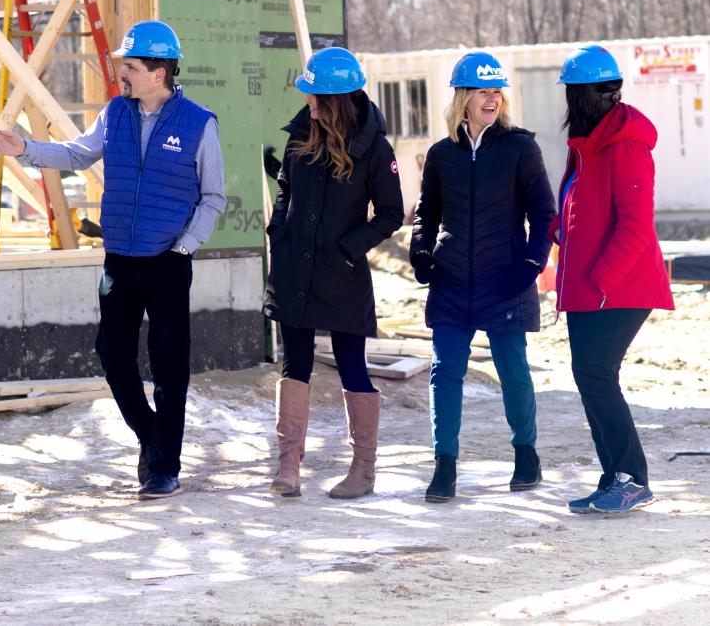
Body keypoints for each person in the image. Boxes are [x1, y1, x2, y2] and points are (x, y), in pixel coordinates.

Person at [0, 20, 226, 500]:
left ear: (159, 72)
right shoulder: (116, 113)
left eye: (131, 67)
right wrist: (25, 149)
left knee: (169, 365)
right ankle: (149, 436)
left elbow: (213, 197)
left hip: (167, 261)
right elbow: (77, 155)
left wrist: (184, 247)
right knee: (113, 356)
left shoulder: (199, 122)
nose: (123, 75)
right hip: (120, 258)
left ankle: (164, 467)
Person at [409, 51, 555, 503]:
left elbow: (545, 215)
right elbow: (426, 215)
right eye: (482, 91)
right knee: (444, 372)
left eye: (497, 91)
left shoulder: (520, 148)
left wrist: (531, 265)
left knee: (513, 371)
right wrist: (420, 252)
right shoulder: (440, 155)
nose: (491, 98)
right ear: (463, 98)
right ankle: (444, 465)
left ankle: (526, 455)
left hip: (504, 279)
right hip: (452, 280)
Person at [264, 47, 404, 499]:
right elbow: (284, 189)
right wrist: (278, 231)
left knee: (352, 367)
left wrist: (348, 249)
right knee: (295, 364)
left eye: (314, 96)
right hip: (294, 268)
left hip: (341, 273)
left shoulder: (376, 150)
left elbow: (390, 213)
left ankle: (363, 470)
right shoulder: (299, 138)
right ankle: (288, 466)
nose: (307, 103)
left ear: (334, 98)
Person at [549, 44, 673, 514]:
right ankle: (615, 477)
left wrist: (601, 280)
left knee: (595, 372)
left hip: (617, 288)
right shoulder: (588, 144)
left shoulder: (626, 145)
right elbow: (582, 204)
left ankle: (632, 478)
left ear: (581, 96)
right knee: (590, 374)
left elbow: (637, 226)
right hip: (588, 290)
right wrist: (557, 227)